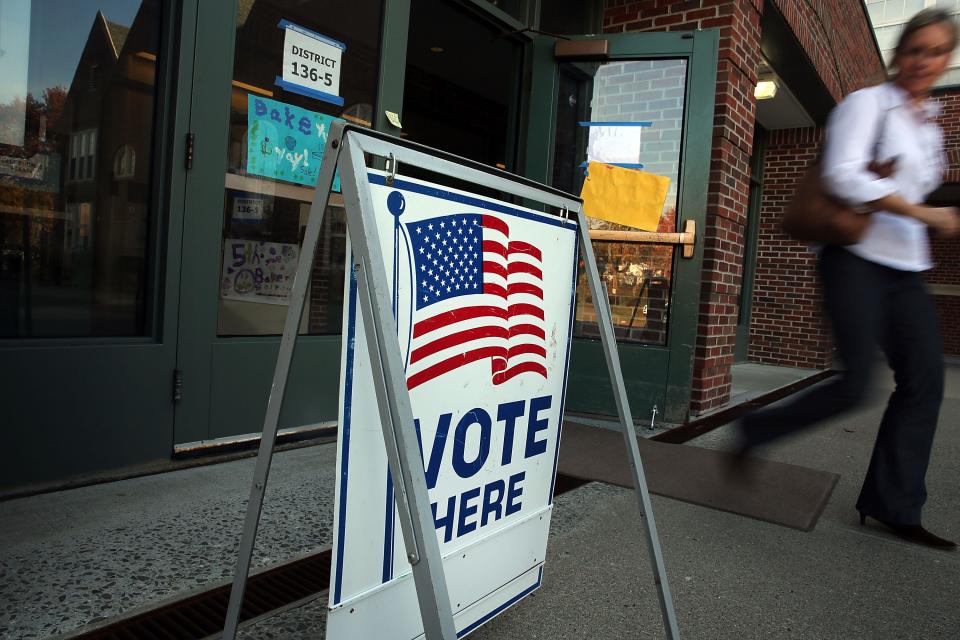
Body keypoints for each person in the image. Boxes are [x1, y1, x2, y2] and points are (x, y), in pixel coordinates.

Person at [732, 8, 960, 550]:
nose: (923, 61)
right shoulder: (867, 105)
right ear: (897, 54)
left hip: (906, 271)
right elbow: (841, 173)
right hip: (853, 259)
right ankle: (755, 429)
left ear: (947, 59)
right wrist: (924, 214)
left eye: (936, 52)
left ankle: (893, 504)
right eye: (915, 49)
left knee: (925, 381)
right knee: (857, 382)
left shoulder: (928, 126)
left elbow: (922, 181)